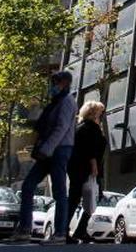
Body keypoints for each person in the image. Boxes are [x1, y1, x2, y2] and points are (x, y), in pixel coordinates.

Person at [12, 71, 77, 243]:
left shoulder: (67, 101)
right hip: (49, 151)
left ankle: (60, 233)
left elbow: (61, 128)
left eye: (55, 82)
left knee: (59, 191)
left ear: (64, 83)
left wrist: (46, 148)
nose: (51, 86)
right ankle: (24, 229)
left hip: (59, 150)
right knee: (28, 186)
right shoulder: (55, 103)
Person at [66, 100, 106, 243]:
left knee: (74, 198)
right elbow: (91, 150)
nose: (101, 116)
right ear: (93, 113)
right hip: (87, 169)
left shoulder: (80, 127)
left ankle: (71, 230)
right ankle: (76, 230)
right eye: (100, 112)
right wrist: (94, 167)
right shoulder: (91, 128)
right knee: (93, 196)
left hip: (76, 167)